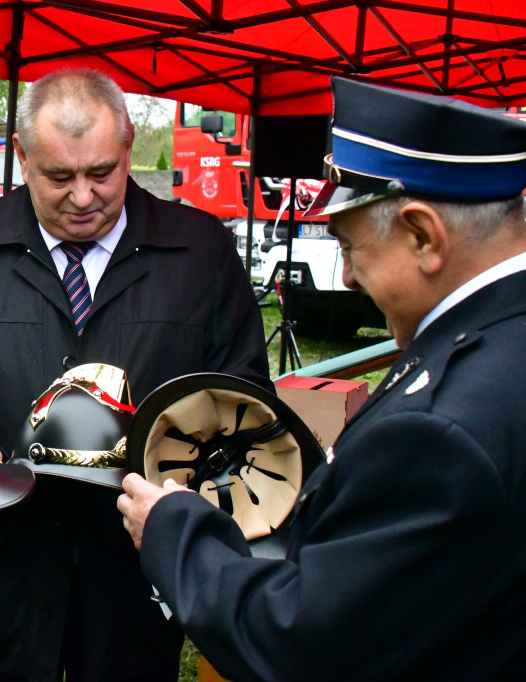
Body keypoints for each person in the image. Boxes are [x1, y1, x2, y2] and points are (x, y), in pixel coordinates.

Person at [118, 76, 526, 682]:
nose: (348, 276)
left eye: (349, 245)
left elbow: (300, 644)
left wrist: (175, 531)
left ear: (423, 236)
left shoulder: (437, 431)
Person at [0, 67, 271, 681]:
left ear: (129, 147)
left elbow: (245, 398)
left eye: (102, 173)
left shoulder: (201, 252)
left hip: (135, 587)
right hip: (1, 576)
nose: (83, 197)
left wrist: (185, 483)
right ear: (23, 158)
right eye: (59, 177)